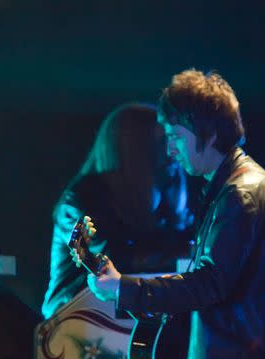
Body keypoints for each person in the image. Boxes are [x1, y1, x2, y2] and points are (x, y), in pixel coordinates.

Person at [86, 70, 265, 359]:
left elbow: (209, 283)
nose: (170, 147)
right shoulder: (234, 186)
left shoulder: (242, 194)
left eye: (176, 135)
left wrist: (124, 288)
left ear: (208, 132)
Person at [42, 103, 192, 319]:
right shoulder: (79, 201)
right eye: (161, 143)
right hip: (76, 324)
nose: (172, 152)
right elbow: (107, 264)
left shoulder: (165, 203)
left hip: (131, 325)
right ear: (136, 150)